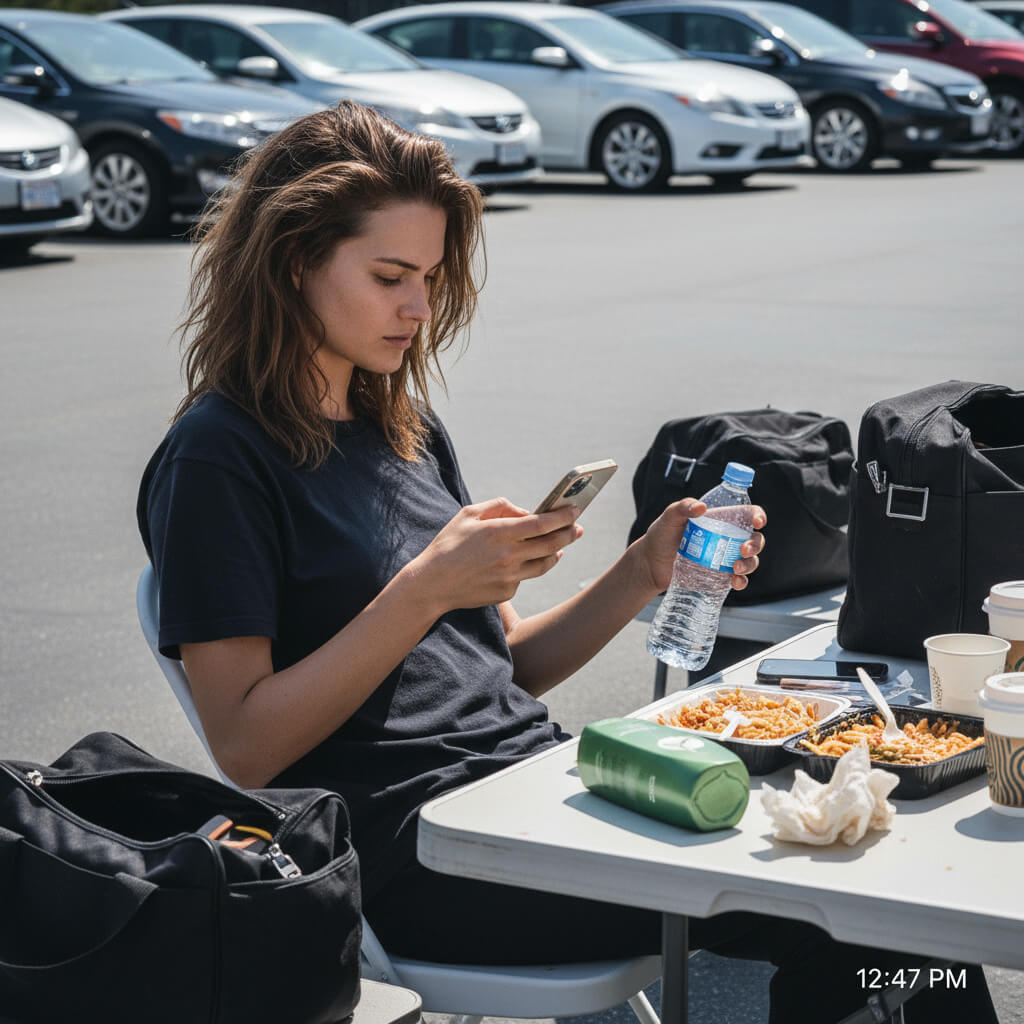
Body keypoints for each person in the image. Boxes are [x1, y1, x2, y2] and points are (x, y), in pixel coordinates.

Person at [138, 101, 997, 1024]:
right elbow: (248, 745)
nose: (421, 308)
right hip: (425, 853)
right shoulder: (218, 457)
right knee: (856, 913)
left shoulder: (399, 425)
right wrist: (427, 587)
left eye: (429, 277)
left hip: (542, 784)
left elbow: (507, 670)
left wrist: (640, 571)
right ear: (295, 261)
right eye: (391, 276)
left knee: (897, 889)